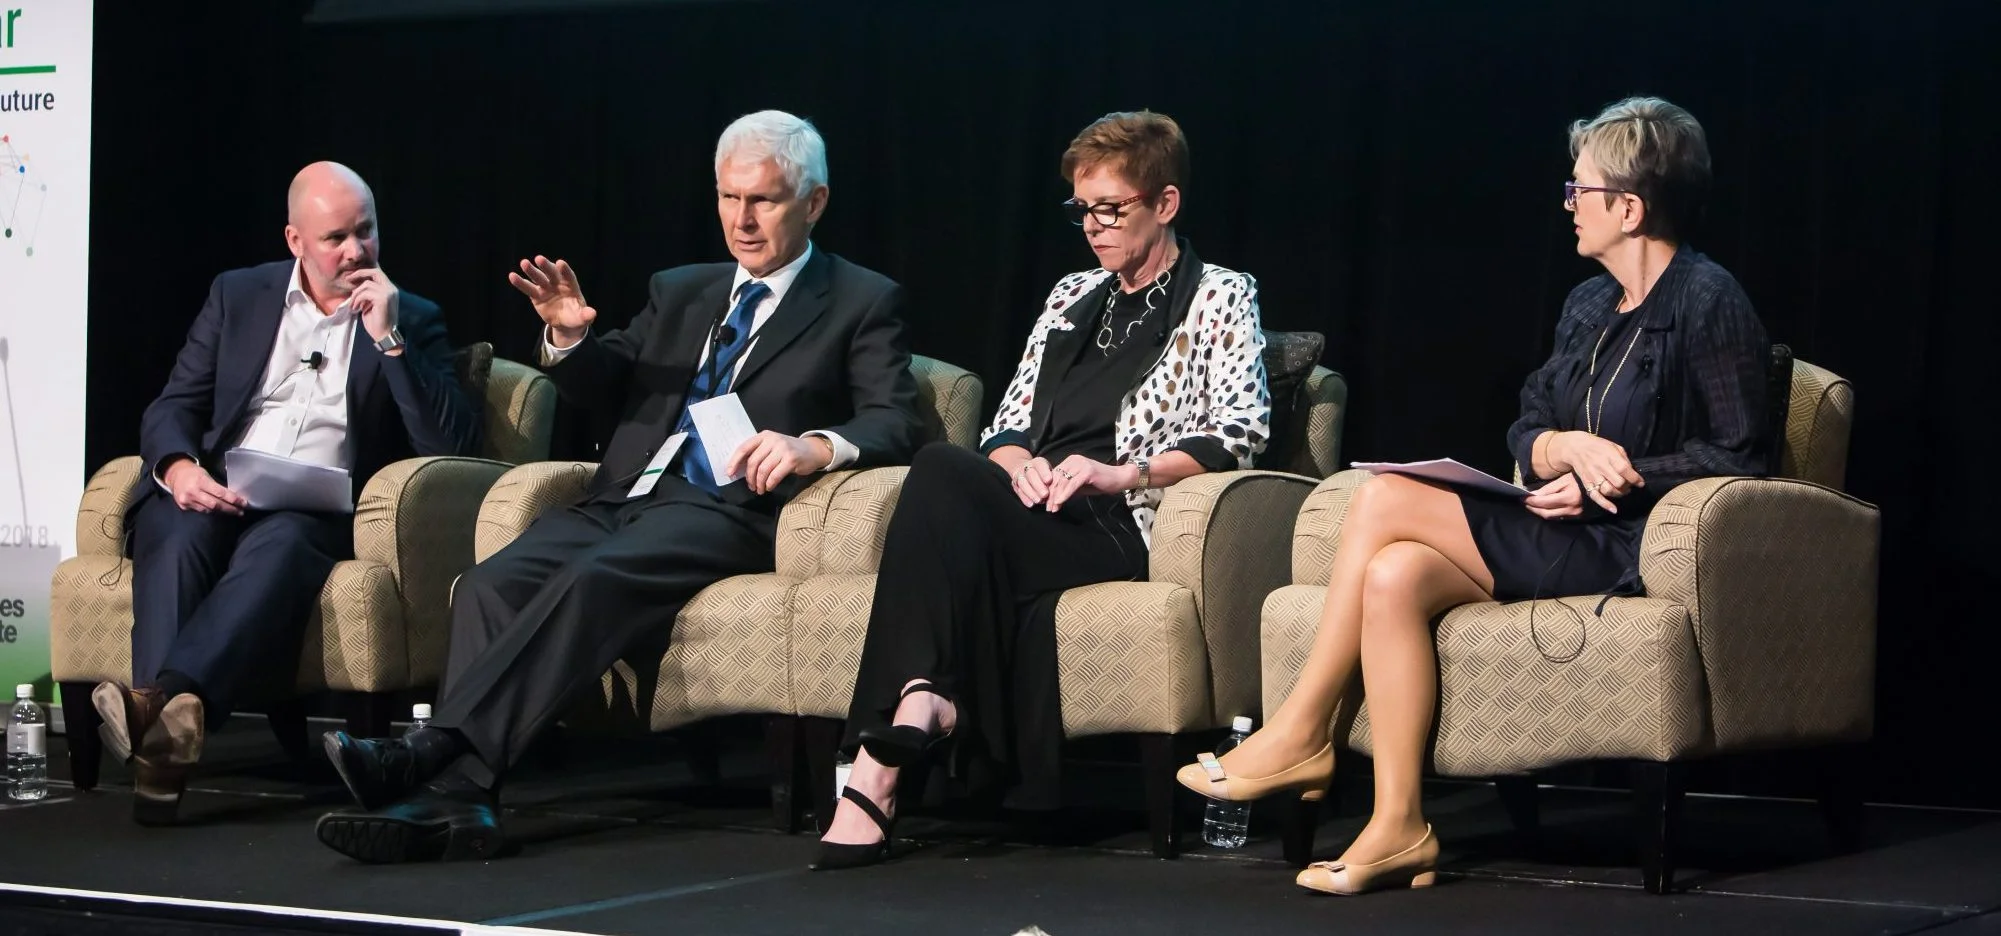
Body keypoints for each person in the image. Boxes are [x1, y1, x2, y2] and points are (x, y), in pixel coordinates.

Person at [1177, 96, 1772, 895]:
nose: (1567, 206)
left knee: (1383, 500)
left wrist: (1621, 469)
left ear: (1629, 208)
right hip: (1554, 526)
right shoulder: (1588, 303)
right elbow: (1528, 421)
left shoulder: (1709, 299)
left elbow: (1741, 456)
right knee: (1391, 576)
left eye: (1579, 192)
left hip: (1629, 546)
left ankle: (1300, 729)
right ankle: (1398, 827)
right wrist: (1562, 446)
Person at [313, 110, 923, 863]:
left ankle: (428, 752)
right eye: (728, 197)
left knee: (596, 577)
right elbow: (607, 388)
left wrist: (814, 446)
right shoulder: (682, 290)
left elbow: (897, 419)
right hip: (624, 498)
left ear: (814, 202)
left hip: (726, 509)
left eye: (762, 200)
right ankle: (462, 801)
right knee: (488, 585)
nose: (742, 219)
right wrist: (570, 337)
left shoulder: (859, 300)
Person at [813, 110, 1271, 870]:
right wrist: (1020, 461)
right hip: (1036, 506)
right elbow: (1006, 423)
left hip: (1118, 515)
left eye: (1110, 209)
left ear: (1164, 204)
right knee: (943, 468)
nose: (1092, 227)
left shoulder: (1220, 295)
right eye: (1081, 210)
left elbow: (1238, 433)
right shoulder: (1070, 296)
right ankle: (922, 701)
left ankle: (879, 763)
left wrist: (1119, 472)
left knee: (936, 478)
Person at [97, 161, 481, 825]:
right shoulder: (239, 295)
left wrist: (387, 340)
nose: (356, 251)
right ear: (294, 240)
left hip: (311, 509)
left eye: (367, 232)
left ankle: (155, 712)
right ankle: (173, 724)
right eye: (335, 237)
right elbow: (173, 405)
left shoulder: (412, 317)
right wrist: (181, 469)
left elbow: (449, 447)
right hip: (219, 487)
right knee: (177, 529)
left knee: (282, 547)